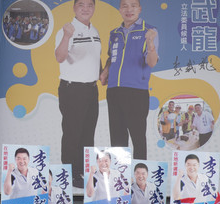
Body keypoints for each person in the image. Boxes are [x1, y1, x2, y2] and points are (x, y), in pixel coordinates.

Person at [100, 0, 158, 159]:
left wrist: (150, 43)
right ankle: (120, 178)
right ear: (120, 9)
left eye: (133, 5)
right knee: (117, 138)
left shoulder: (149, 31)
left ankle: (140, 179)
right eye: (125, 6)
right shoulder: (115, 33)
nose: (129, 9)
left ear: (139, 9)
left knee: (138, 138)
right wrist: (105, 71)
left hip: (136, 91)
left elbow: (151, 62)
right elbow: (111, 58)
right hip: (113, 91)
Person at [55, 0, 101, 188]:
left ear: (93, 8)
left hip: (91, 89)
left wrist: (101, 74)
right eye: (81, 5)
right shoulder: (67, 29)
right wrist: (66, 36)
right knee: (72, 133)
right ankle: (70, 175)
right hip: (72, 89)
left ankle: (82, 172)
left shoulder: (94, 30)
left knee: (88, 133)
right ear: (74, 8)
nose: (85, 8)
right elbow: (59, 56)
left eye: (89, 5)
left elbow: (93, 58)